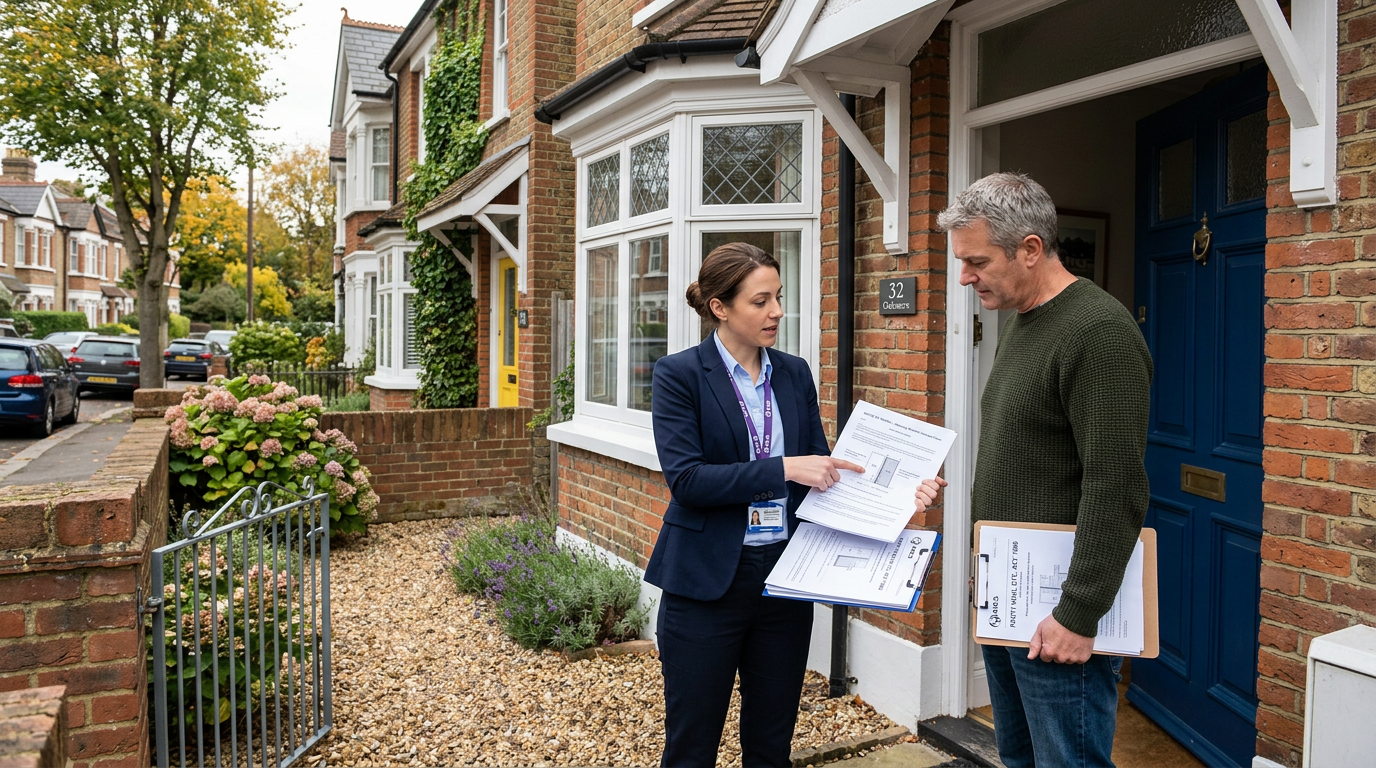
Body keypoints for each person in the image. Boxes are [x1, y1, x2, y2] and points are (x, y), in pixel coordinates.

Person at [936, 172, 1152, 768]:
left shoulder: (1099, 331)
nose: (964, 277)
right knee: (1021, 758)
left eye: (977, 261)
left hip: (1056, 613)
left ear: (1030, 249)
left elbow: (1117, 485)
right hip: (1008, 596)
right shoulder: (1023, 322)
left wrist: (1077, 614)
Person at [648, 242, 865, 768]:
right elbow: (689, 480)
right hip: (706, 584)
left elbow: (822, 470)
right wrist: (785, 467)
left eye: (779, 298)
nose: (777, 313)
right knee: (692, 747)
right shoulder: (678, 375)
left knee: (771, 746)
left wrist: (901, 492)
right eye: (761, 301)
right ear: (720, 308)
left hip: (784, 579)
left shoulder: (793, 373)